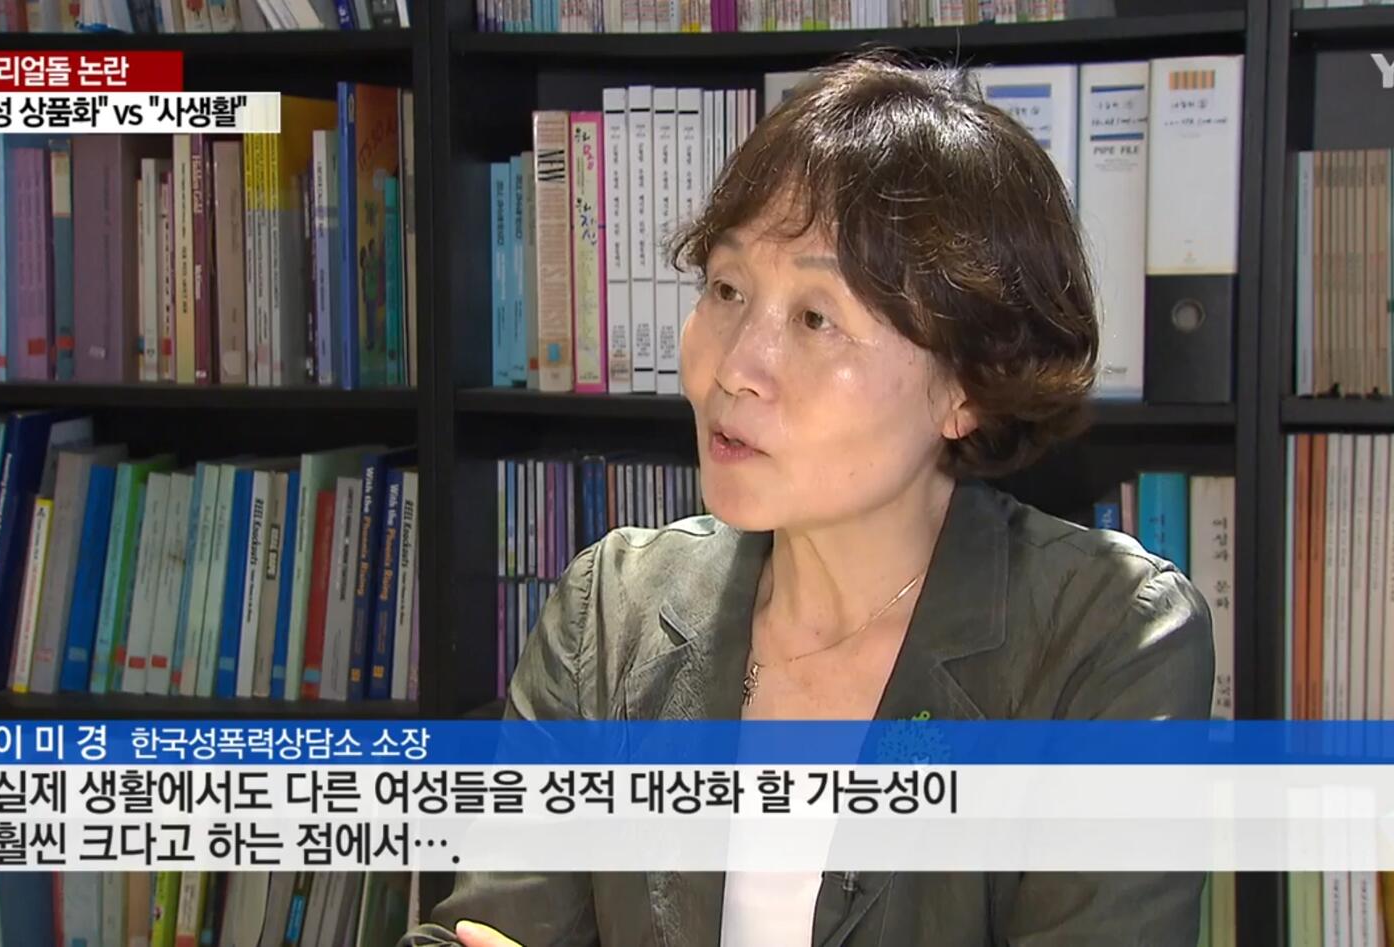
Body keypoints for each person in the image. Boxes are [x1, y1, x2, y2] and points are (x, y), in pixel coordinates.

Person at [404, 50, 1215, 947]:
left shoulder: (1106, 637)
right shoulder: (613, 609)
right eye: (726, 289)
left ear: (968, 388)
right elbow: (490, 929)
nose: (736, 367)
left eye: (815, 318)